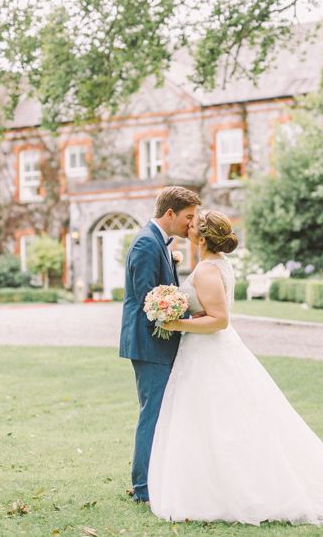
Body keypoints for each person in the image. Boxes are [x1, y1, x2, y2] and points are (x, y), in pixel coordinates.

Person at [147, 210, 323, 525]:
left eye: (194, 225)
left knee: (221, 424)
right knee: (215, 423)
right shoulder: (214, 265)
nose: (189, 228)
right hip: (204, 354)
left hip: (209, 356)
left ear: (203, 236)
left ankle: (232, 492)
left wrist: (176, 322)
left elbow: (220, 321)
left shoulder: (209, 270)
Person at [119, 185, 202, 504]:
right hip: (148, 343)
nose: (190, 225)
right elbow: (148, 300)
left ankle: (159, 478)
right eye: (188, 217)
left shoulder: (160, 243)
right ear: (170, 214)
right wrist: (191, 312)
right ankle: (143, 489)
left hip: (159, 342)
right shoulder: (145, 243)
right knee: (152, 412)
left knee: (162, 410)